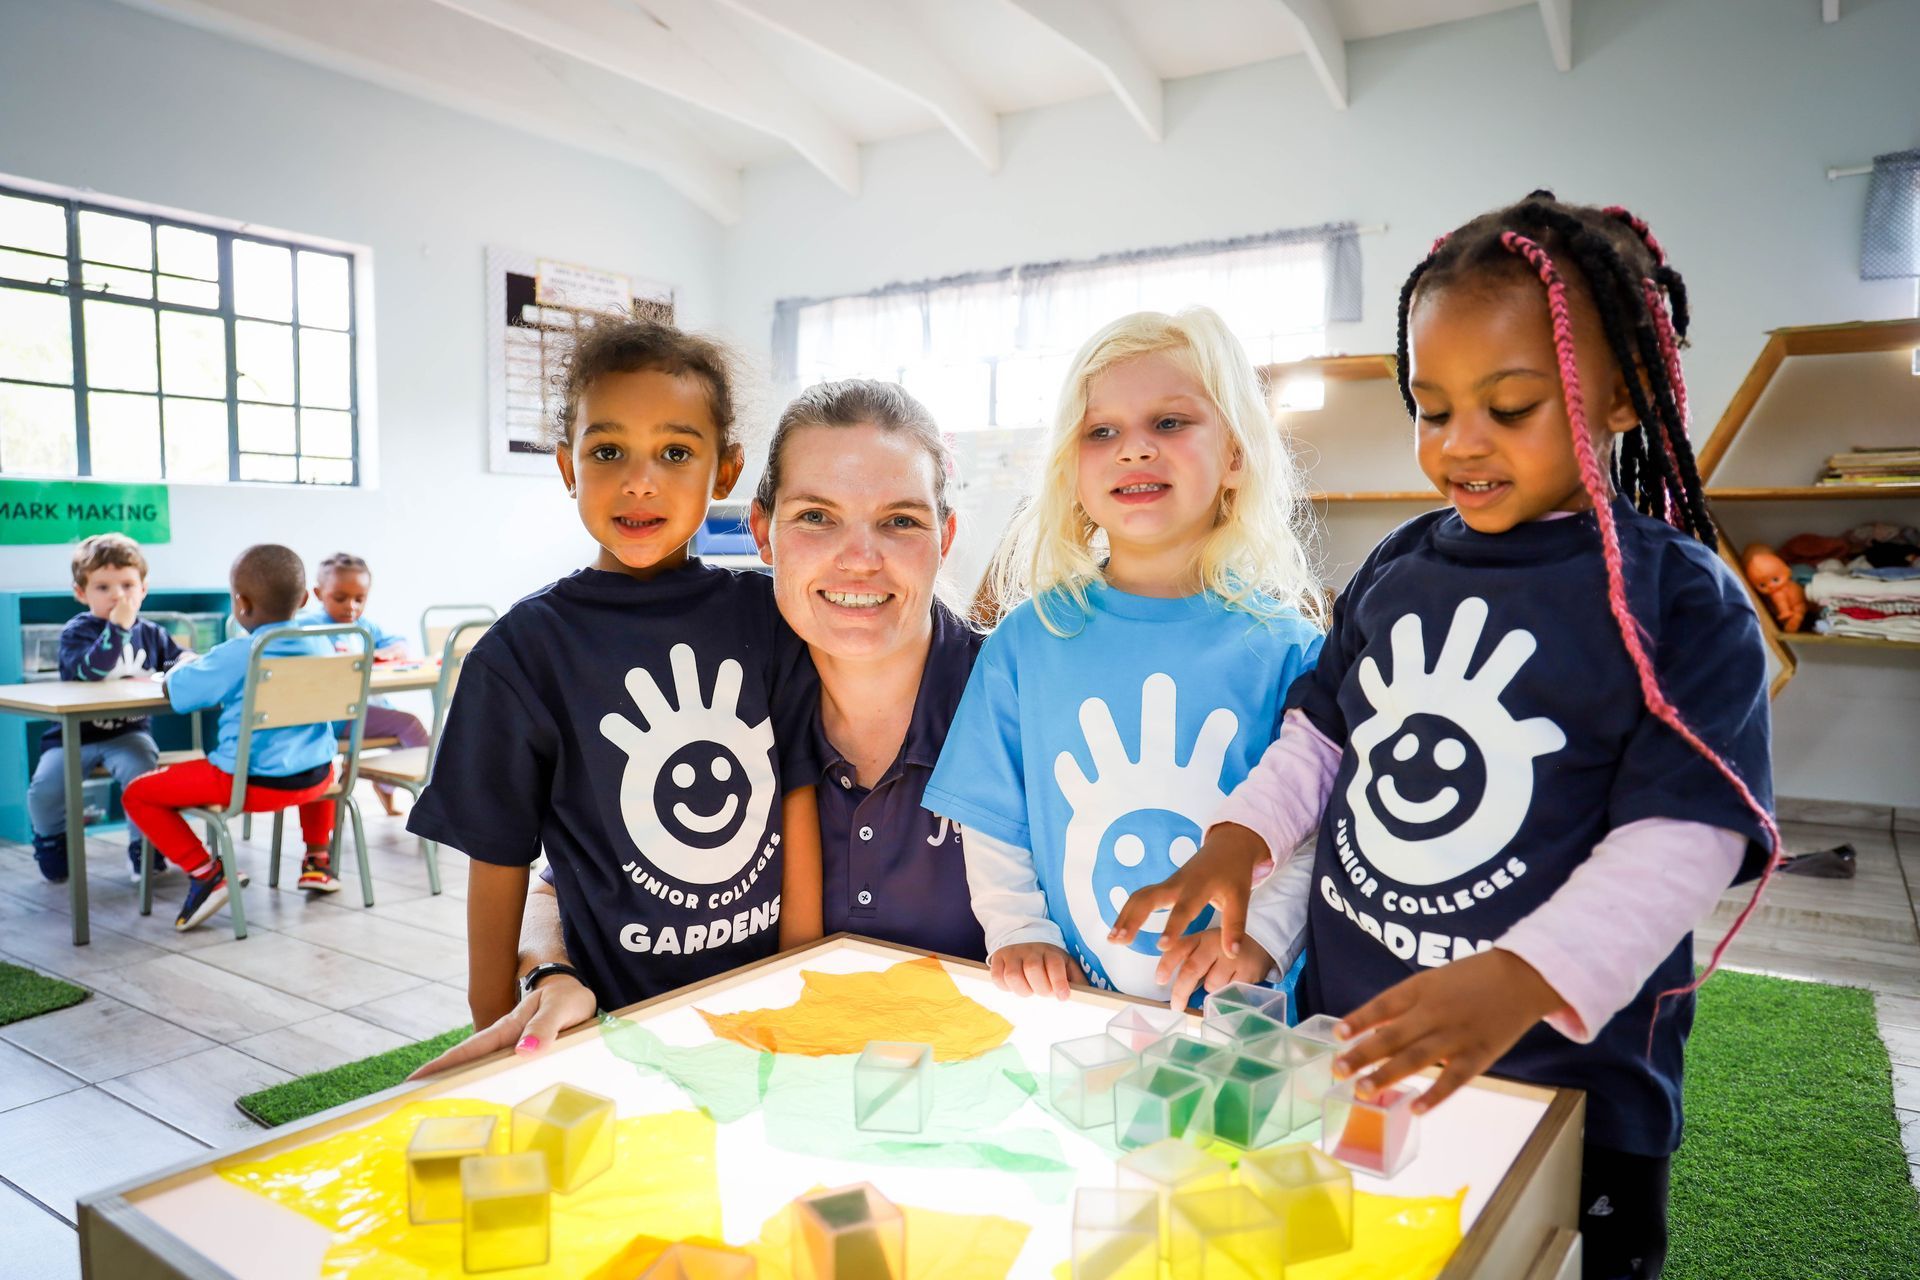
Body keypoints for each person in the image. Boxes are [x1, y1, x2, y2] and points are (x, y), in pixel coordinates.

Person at [1113, 195, 1777, 1280]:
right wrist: (1237, 842)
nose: (1459, 443)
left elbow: (1682, 840)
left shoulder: (1681, 598)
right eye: (1432, 408)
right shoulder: (1401, 562)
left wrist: (1521, 975)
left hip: (1567, 1087)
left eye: (1510, 407)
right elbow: (1320, 739)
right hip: (1359, 1047)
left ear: (1621, 393)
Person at [411, 378, 989, 1077]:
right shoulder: (735, 681)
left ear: (946, 537)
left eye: (900, 521)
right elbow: (561, 882)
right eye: (816, 517)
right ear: (761, 532)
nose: (859, 557)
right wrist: (549, 975)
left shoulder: (1016, 695)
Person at [406, 318, 821, 1037]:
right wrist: (490, 1022)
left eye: (674, 451)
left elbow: (797, 804)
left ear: (724, 470)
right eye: (607, 450)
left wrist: (799, 979)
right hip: (611, 1024)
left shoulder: (771, 616)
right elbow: (499, 860)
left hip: (761, 1006)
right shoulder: (522, 653)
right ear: (568, 467)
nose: (639, 480)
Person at [923, 307, 1326, 1004]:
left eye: (1169, 423)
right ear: (1071, 471)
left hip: (1235, 1023)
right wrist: (1020, 929)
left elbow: (1310, 828)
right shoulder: (1027, 642)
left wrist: (1260, 935)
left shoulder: (1293, 651)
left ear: (1235, 455)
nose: (1133, 449)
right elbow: (993, 817)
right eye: (1101, 431)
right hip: (1074, 1009)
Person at [122, 545, 340, 927]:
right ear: (305, 599)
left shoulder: (240, 652)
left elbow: (180, 694)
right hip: (319, 781)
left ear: (240, 602)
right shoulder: (323, 644)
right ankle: (317, 860)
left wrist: (183, 666)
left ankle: (207, 873)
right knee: (309, 748)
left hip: (247, 784)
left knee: (138, 793)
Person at [27, 533, 188, 885]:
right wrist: (118, 629)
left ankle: (144, 846)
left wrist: (186, 661)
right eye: (103, 587)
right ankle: (52, 841)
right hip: (73, 736)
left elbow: (177, 658)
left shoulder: (153, 634)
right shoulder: (77, 632)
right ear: (81, 593)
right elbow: (90, 670)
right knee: (44, 790)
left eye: (128, 585)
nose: (118, 596)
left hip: (128, 734)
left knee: (144, 778)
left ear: (143, 589)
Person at [296, 551, 429, 816]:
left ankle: (387, 788)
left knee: (401, 736)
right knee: (409, 725)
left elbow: (398, 642)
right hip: (333, 718)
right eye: (340, 598)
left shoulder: (364, 625)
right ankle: (438, 791)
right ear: (319, 593)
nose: (351, 607)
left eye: (360, 599)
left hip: (362, 710)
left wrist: (393, 652)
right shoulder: (308, 627)